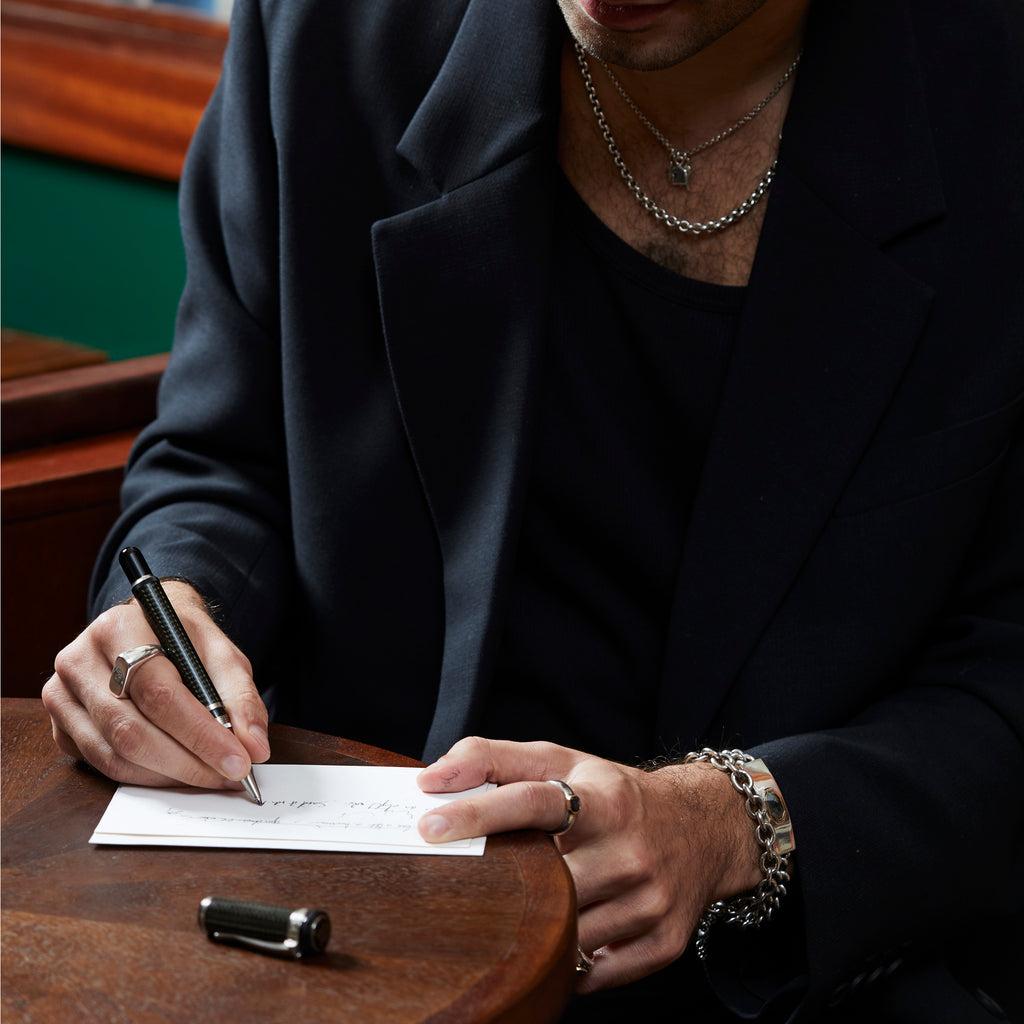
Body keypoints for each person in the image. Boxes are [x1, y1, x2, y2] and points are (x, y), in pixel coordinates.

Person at [41, 0, 1023, 1019]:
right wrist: (174, 611)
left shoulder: (991, 97)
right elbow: (220, 457)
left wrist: (733, 824)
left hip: (818, 968)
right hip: (356, 928)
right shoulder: (324, 33)